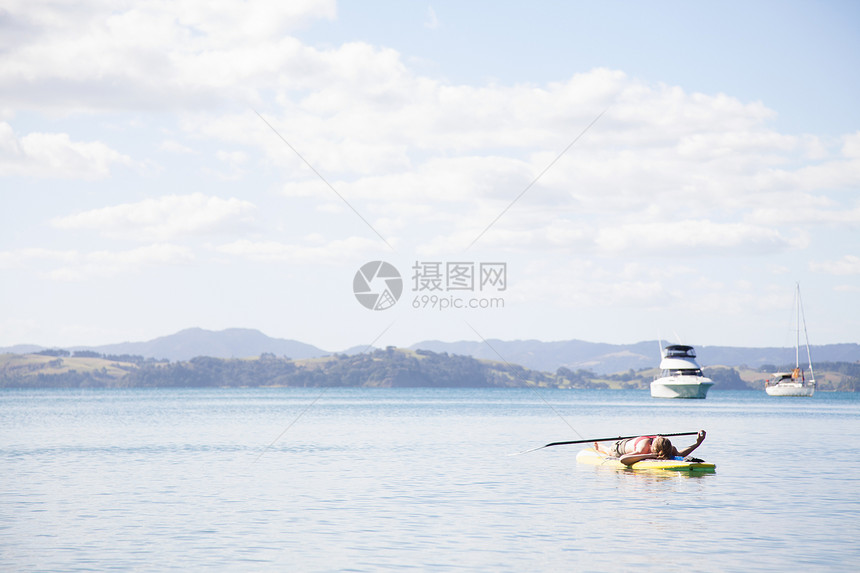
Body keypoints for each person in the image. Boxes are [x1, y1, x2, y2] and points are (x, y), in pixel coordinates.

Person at [594, 430, 706, 466]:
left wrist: (697, 443)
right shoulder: (643, 448)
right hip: (620, 448)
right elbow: (623, 459)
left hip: (636, 443)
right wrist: (648, 455)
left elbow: (680, 455)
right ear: (653, 449)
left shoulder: (668, 447)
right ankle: (600, 446)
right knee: (609, 451)